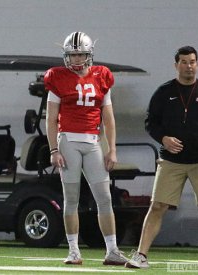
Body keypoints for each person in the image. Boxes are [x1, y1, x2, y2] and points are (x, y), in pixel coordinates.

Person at [125, 46, 198, 270]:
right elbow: (150, 123)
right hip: (171, 161)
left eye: (192, 62)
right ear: (176, 65)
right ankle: (141, 256)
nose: (189, 66)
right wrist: (164, 138)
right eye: (184, 62)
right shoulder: (163, 92)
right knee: (157, 205)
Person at [44, 31, 128, 266]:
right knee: (71, 198)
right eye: (72, 55)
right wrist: (53, 150)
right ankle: (73, 251)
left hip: (92, 142)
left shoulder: (102, 76)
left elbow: (109, 118)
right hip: (68, 141)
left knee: (104, 197)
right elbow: (50, 119)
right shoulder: (57, 78)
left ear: (89, 54)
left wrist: (111, 149)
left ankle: (112, 250)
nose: (77, 59)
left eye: (80, 54)